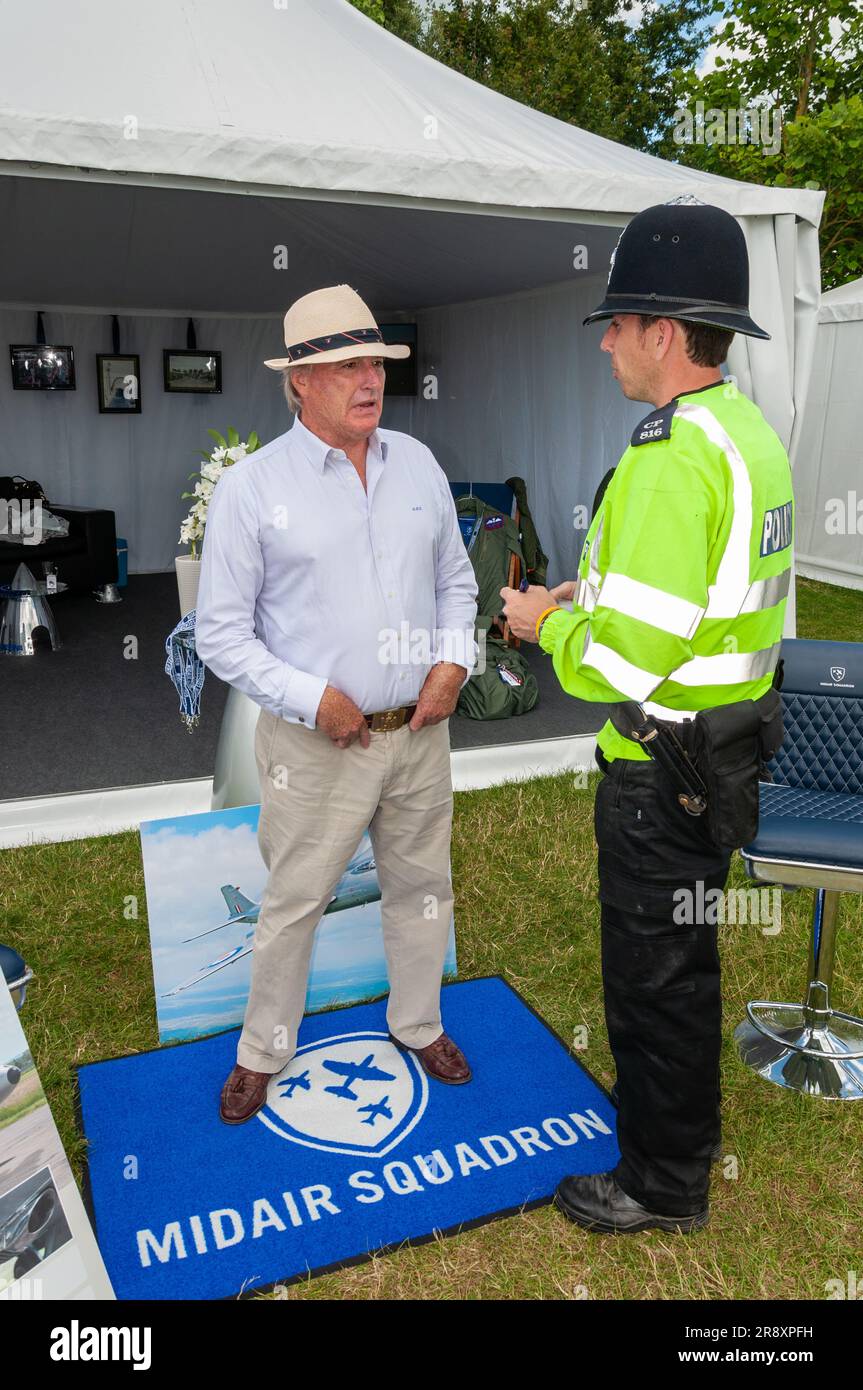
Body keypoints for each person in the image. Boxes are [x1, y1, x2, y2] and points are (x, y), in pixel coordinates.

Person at [501, 200, 793, 1233]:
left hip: (658, 771)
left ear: (663, 332)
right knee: (685, 964)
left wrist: (544, 625)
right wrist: (596, 592)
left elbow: (628, 661)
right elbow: (698, 596)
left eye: (617, 324)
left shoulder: (670, 455)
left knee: (653, 982)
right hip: (718, 754)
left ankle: (660, 1183)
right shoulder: (739, 431)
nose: (608, 343)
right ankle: (679, 1143)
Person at [194, 284, 479, 1124]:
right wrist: (312, 697)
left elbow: (456, 583)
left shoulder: (417, 463)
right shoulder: (251, 488)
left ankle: (418, 1023)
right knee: (294, 902)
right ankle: (262, 1052)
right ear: (299, 383)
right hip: (318, 746)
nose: (368, 379)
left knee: (423, 886)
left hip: (420, 734)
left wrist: (453, 663)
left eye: (375, 362)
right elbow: (220, 634)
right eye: (344, 365)